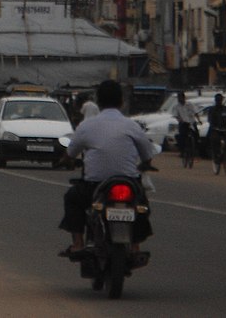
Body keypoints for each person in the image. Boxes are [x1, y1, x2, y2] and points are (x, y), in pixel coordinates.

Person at [59, 79, 155, 257]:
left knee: (72, 198)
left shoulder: (87, 126)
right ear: (121, 101)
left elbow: (70, 153)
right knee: (141, 205)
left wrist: (66, 160)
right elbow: (147, 153)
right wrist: (144, 164)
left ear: (98, 102)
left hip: (95, 187)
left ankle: (78, 244)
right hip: (129, 183)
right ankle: (135, 246)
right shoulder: (132, 125)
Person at [205, 93, 226, 159]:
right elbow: (209, 120)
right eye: (218, 100)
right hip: (215, 128)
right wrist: (213, 126)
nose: (219, 101)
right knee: (215, 140)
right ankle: (216, 154)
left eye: (220, 100)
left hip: (224, 128)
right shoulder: (212, 109)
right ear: (215, 101)